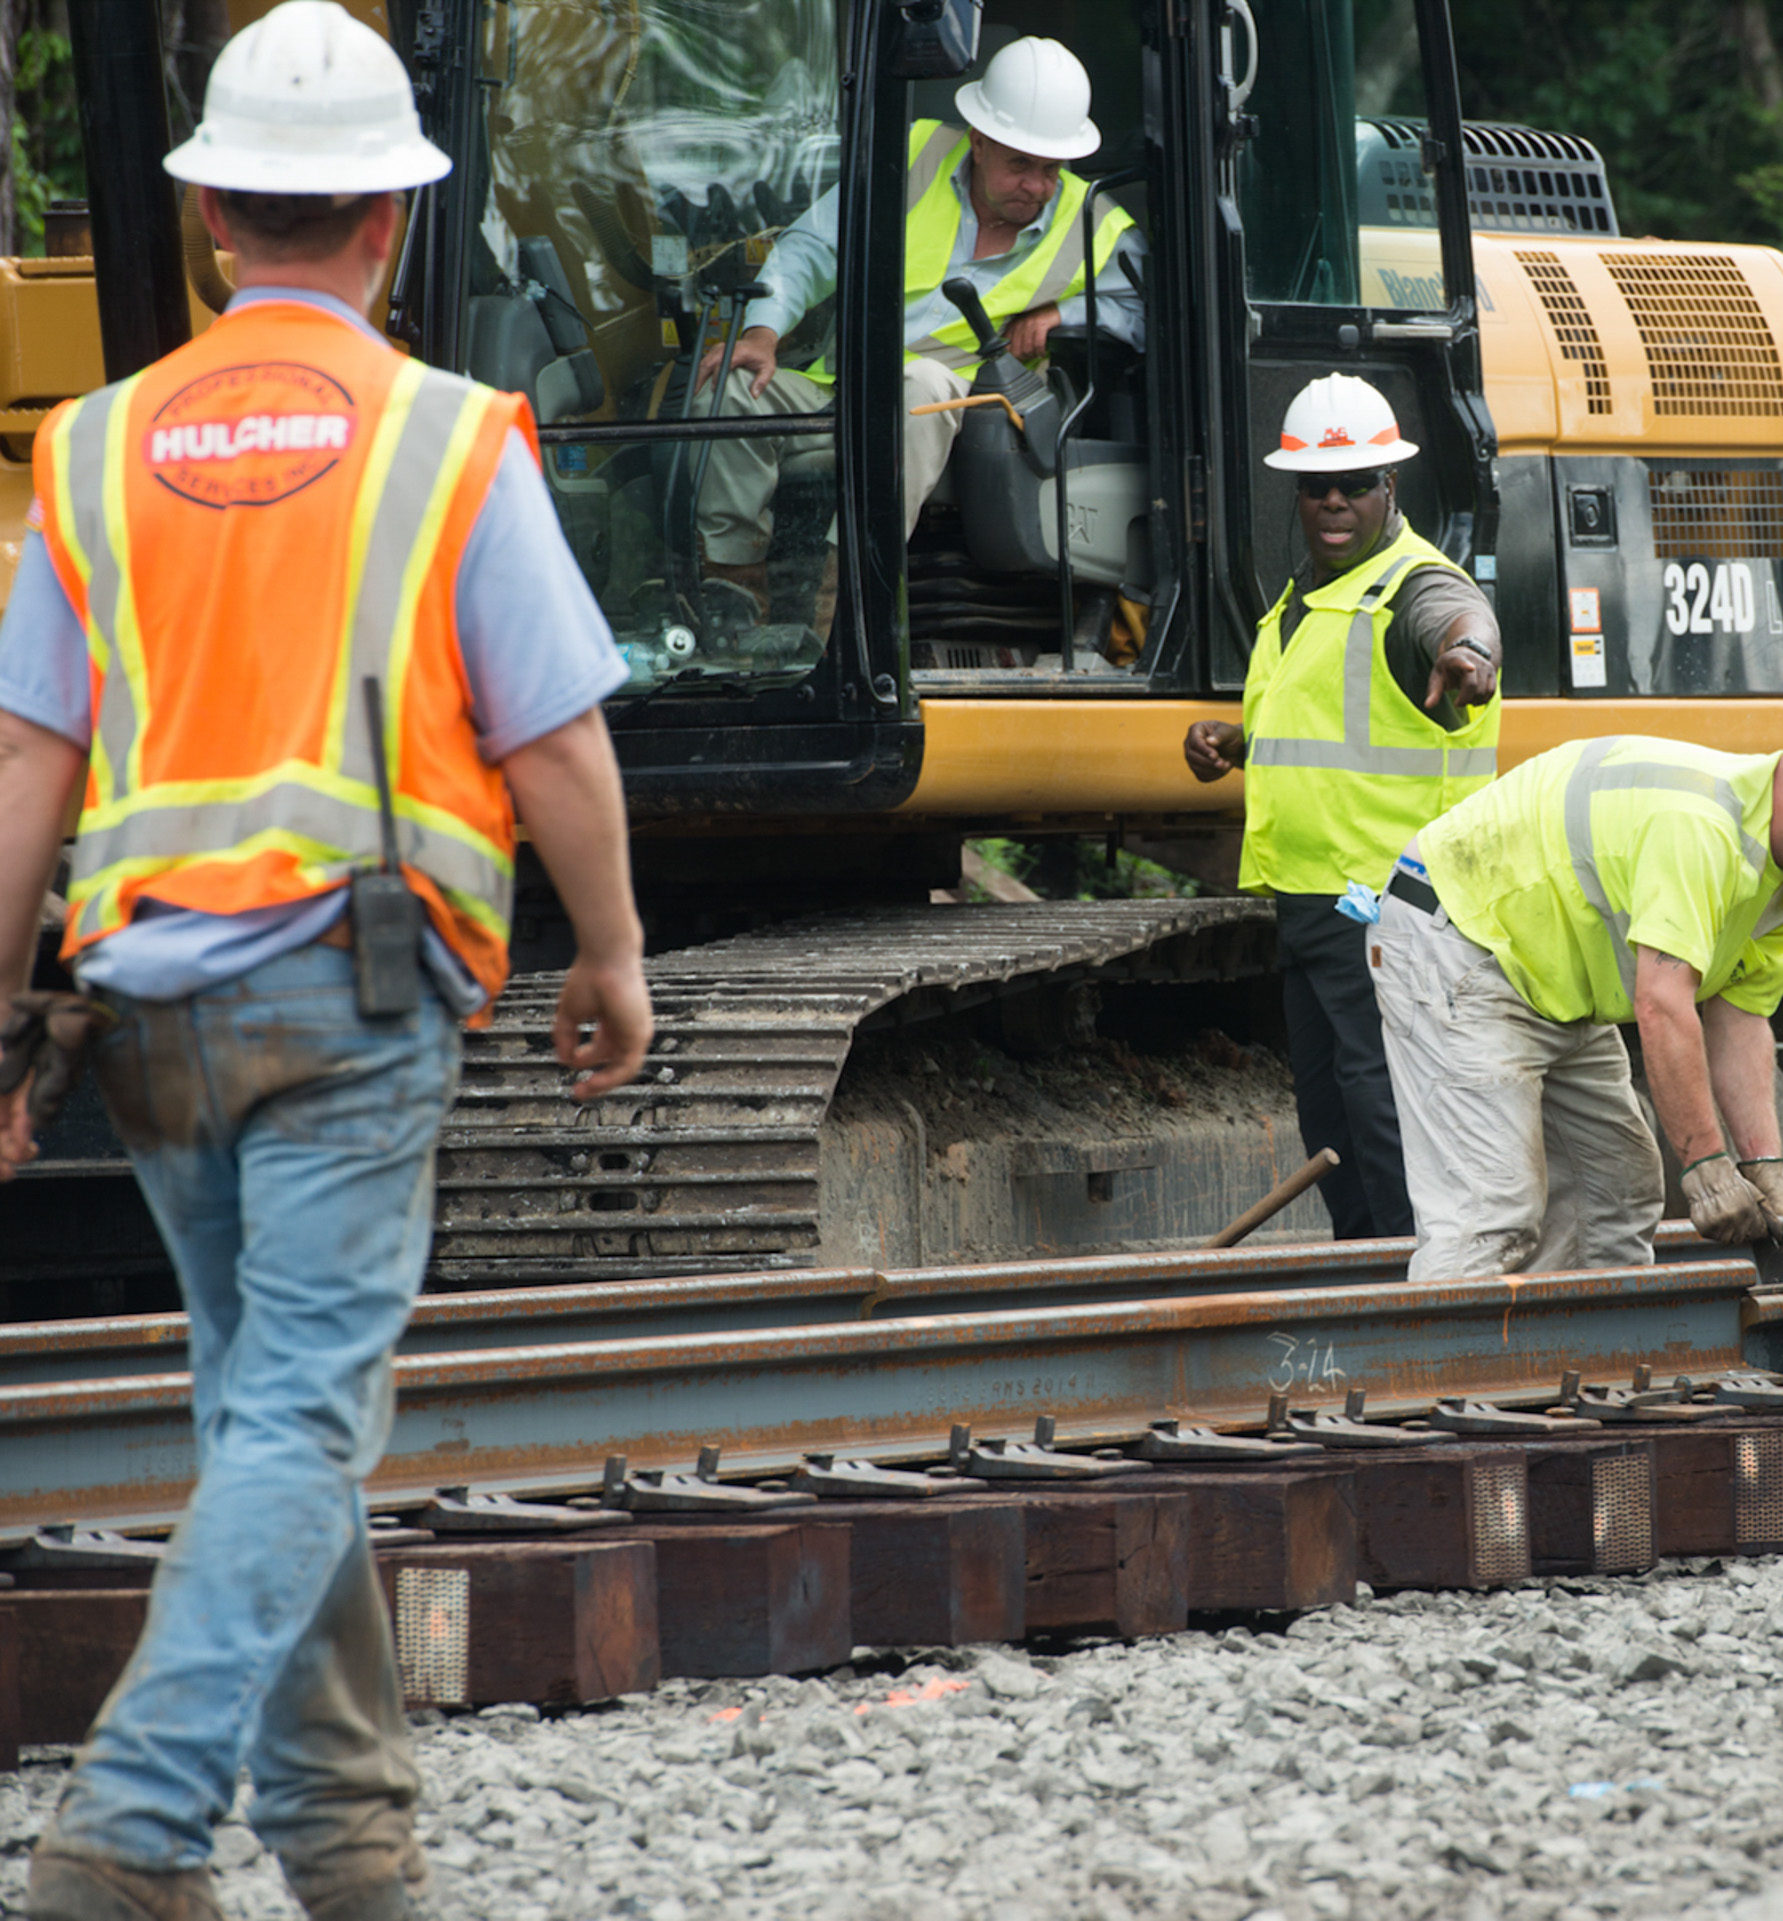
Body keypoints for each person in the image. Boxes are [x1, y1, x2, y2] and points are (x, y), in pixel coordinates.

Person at [0, 8, 654, 1917]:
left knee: (257, 1406)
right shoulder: (446, 438)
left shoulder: (96, 447)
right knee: (297, 1416)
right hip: (355, 997)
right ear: (395, 220)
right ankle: (125, 1831)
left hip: (145, 1009)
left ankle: (352, 1849)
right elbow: (554, 742)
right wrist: (609, 951)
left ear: (207, 214)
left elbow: (27, 758)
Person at [1375, 702, 1783, 1280]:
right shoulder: (1699, 826)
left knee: (1616, 1193)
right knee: (1492, 1210)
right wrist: (1706, 1167)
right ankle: (1452, 1366)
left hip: (1551, 976)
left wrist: (1766, 1165)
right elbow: (1663, 1005)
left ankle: (1585, 1357)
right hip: (1461, 936)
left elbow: (1741, 1018)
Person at [1182, 375, 1500, 1239]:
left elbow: (1459, 617)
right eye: (1316, 486)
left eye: (1354, 484)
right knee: (1333, 1115)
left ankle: (1421, 1281)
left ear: (1388, 486)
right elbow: (1327, 719)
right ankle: (1366, 1274)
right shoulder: (1307, 597)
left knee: (1388, 1107)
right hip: (1314, 901)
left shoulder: (1412, 586)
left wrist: (1471, 653)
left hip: (1389, 906)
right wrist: (1238, 740)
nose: (1333, 502)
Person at [687, 34, 1147, 620]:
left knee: (925, 385)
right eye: (1020, 165)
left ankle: (843, 598)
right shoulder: (913, 156)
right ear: (979, 142)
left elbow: (1148, 315)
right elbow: (809, 247)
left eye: (1051, 168)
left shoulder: (1096, 223)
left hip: (960, 409)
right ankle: (733, 593)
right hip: (843, 391)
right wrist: (763, 332)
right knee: (727, 387)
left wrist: (1065, 314)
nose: (1037, 186)